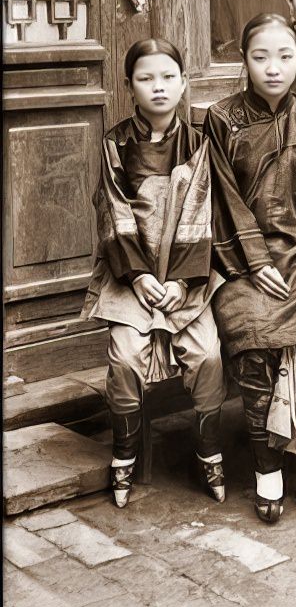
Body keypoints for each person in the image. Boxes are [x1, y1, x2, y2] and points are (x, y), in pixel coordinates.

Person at [204, 13, 296, 524]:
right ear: (243, 59)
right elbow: (219, 202)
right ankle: (267, 474)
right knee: (256, 345)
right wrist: (254, 260)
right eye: (260, 56)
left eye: (285, 56)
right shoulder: (220, 120)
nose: (273, 68)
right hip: (241, 266)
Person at [81, 39, 227, 509]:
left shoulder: (200, 142)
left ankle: (209, 452)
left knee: (207, 355)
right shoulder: (115, 143)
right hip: (133, 277)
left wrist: (181, 281)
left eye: (168, 77)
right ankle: (123, 453)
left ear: (184, 83)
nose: (158, 87)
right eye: (146, 78)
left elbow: (201, 212)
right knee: (124, 357)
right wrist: (141, 276)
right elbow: (115, 214)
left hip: (186, 277)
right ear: (129, 87)